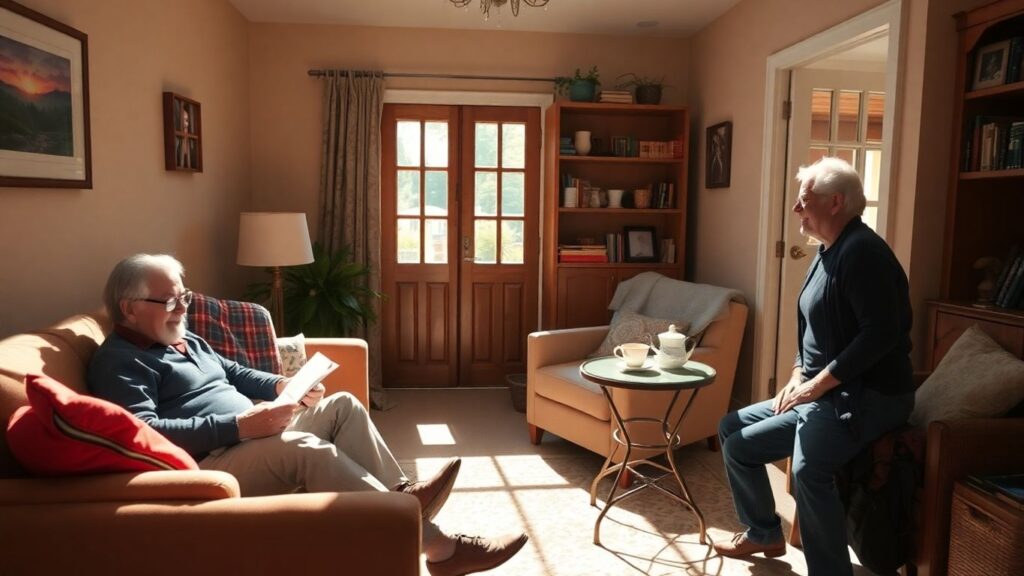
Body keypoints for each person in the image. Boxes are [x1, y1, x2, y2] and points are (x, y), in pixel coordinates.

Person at [87, 254, 527, 576]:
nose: (182, 308)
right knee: (308, 449)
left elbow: (234, 372)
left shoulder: (183, 338)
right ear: (129, 308)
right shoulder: (121, 361)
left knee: (342, 405)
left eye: (183, 297)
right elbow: (146, 433)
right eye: (169, 302)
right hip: (215, 458)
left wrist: (281, 387)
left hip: (252, 433)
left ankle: (402, 494)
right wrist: (241, 425)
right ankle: (439, 548)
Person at [713, 157, 914, 576]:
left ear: (836, 202)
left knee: (809, 467)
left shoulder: (863, 253)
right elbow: (812, 335)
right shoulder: (826, 252)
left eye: (804, 200)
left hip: (867, 396)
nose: (795, 209)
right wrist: (795, 376)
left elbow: (881, 335)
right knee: (734, 431)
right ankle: (764, 531)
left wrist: (816, 385)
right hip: (823, 390)